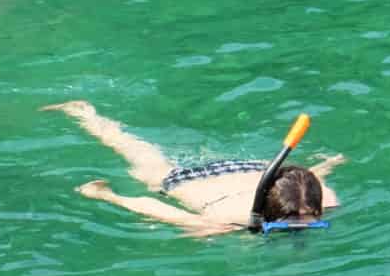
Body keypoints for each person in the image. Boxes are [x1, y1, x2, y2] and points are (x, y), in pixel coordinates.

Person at [45, 100, 342, 237]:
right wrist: (109, 196)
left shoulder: (326, 198)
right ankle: (87, 115)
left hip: (253, 168)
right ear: (269, 214)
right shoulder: (226, 220)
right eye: (290, 223)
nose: (301, 227)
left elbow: (305, 180)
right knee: (146, 168)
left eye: (309, 220)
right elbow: (159, 209)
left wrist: (324, 167)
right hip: (195, 182)